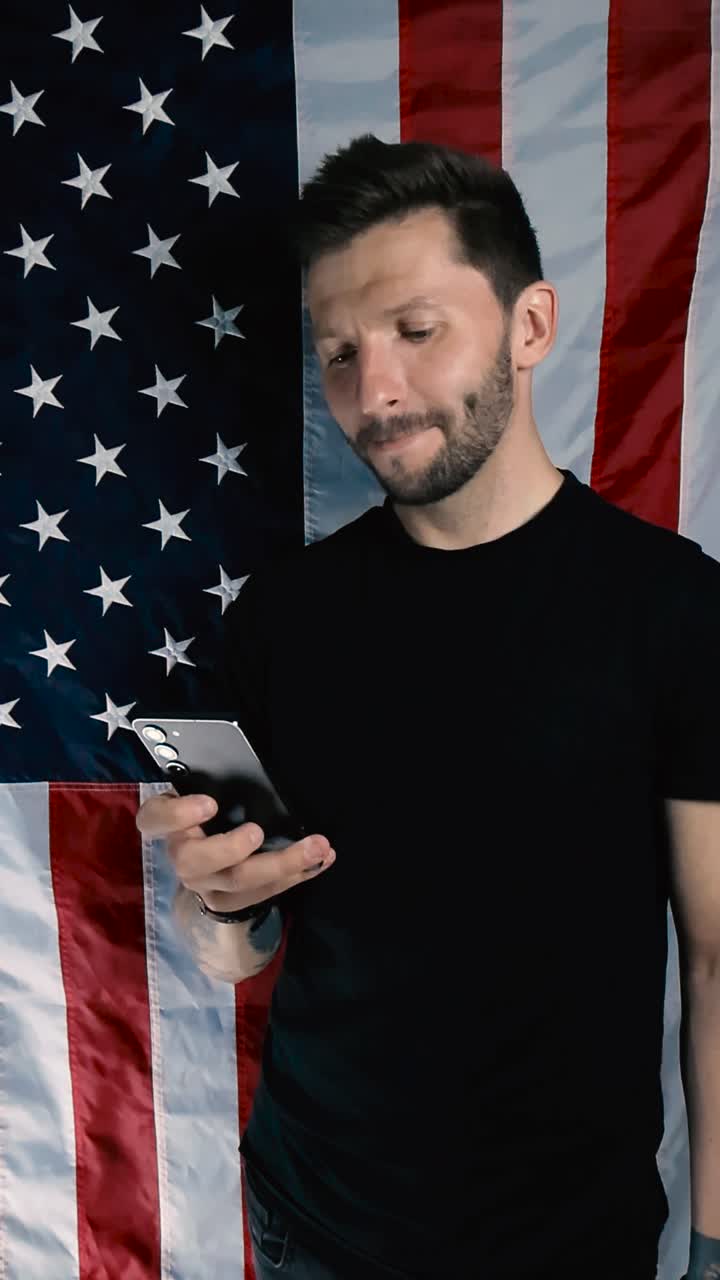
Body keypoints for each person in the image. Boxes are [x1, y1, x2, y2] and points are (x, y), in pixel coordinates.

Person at [136, 136, 720, 1280]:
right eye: (340, 350)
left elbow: (716, 954)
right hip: (316, 1223)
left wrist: (713, 1244)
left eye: (416, 330)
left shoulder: (676, 605)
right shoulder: (280, 618)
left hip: (572, 1238)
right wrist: (217, 903)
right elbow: (235, 955)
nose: (374, 390)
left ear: (531, 325)